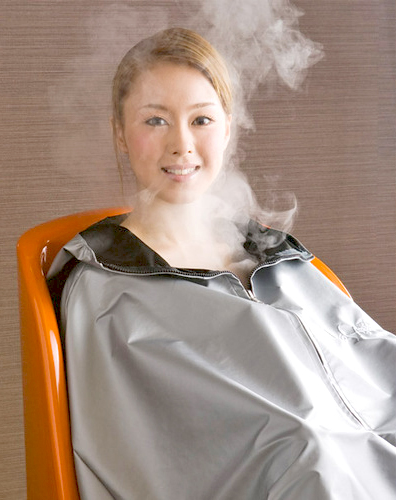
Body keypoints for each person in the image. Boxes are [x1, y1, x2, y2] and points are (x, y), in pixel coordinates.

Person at [47, 28, 396, 499]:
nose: (181, 144)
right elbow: (152, 457)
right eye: (155, 120)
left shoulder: (277, 256)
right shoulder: (106, 287)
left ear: (228, 128)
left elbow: (370, 369)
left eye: (202, 119)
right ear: (120, 133)